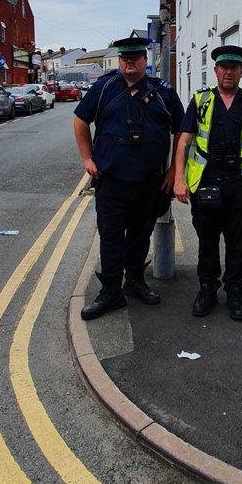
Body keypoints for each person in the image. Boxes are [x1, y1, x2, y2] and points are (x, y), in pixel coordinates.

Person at [73, 36, 185, 320]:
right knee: (111, 237)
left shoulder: (163, 91)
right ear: (120, 60)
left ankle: (135, 281)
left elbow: (183, 131)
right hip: (111, 181)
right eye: (124, 58)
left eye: (135, 57)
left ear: (145, 61)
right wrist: (87, 158)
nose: (129, 62)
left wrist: (175, 170)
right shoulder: (105, 87)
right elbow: (80, 120)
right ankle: (111, 292)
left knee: (140, 235)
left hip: (150, 182)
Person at [174, 45, 242, 321]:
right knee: (207, 240)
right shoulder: (201, 101)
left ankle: (234, 291)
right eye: (223, 67)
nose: (228, 71)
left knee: (237, 242)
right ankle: (207, 289)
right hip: (206, 179)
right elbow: (183, 141)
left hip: (239, 184)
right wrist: (179, 179)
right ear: (216, 70)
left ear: (241, 71)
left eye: (234, 67)